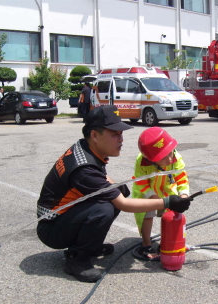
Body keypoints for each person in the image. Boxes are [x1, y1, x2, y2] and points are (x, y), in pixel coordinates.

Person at [36, 105, 192, 282]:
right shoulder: (84, 169)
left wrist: (115, 185)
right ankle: (77, 259)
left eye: (121, 134)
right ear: (95, 135)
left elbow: (101, 175)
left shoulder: (85, 147)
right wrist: (168, 202)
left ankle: (90, 246)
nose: (121, 139)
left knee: (113, 196)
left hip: (63, 217)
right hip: (51, 227)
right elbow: (124, 205)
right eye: (114, 134)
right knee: (105, 209)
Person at [132, 127, 189, 260]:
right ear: (151, 159)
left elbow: (181, 177)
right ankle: (146, 245)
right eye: (164, 157)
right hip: (146, 192)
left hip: (166, 189)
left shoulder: (175, 157)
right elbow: (141, 183)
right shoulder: (142, 161)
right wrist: (156, 200)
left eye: (170, 153)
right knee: (147, 214)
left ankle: (167, 242)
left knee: (171, 214)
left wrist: (184, 195)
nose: (170, 159)